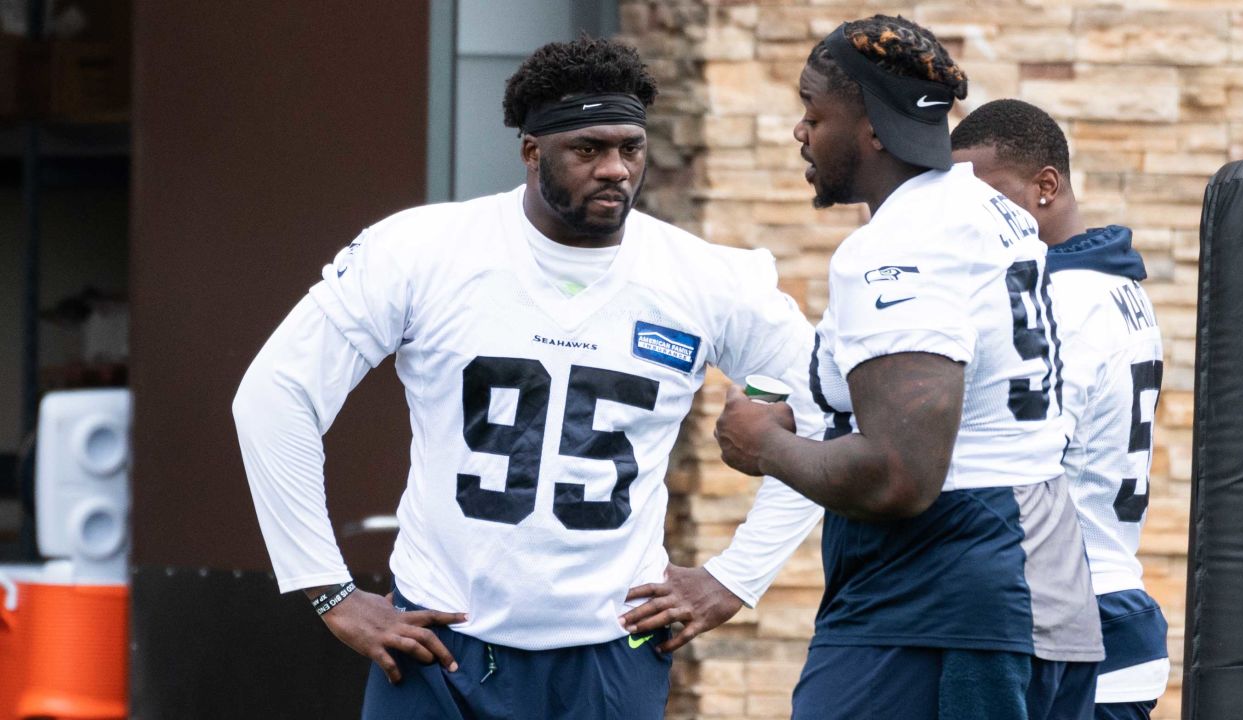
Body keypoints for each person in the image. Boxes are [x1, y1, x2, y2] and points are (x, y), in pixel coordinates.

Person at [232, 36, 824, 720]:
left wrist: (736, 576)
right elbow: (275, 396)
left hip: (610, 647)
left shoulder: (703, 278)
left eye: (630, 147)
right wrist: (327, 588)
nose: (615, 170)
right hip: (440, 642)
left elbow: (826, 407)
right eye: (588, 149)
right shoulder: (424, 251)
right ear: (531, 151)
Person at [713, 15, 1104, 720]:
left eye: (813, 113)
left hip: (942, 602)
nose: (801, 133)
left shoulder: (898, 246)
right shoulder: (990, 208)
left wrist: (765, 446)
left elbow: (902, 474)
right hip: (1034, 582)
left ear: (868, 128)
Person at [952, 98, 1170, 720]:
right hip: (1106, 598)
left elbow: (1027, 452)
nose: (975, 221)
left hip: (1071, 623)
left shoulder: (1062, 303)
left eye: (991, 199)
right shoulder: (1111, 280)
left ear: (1047, 186)